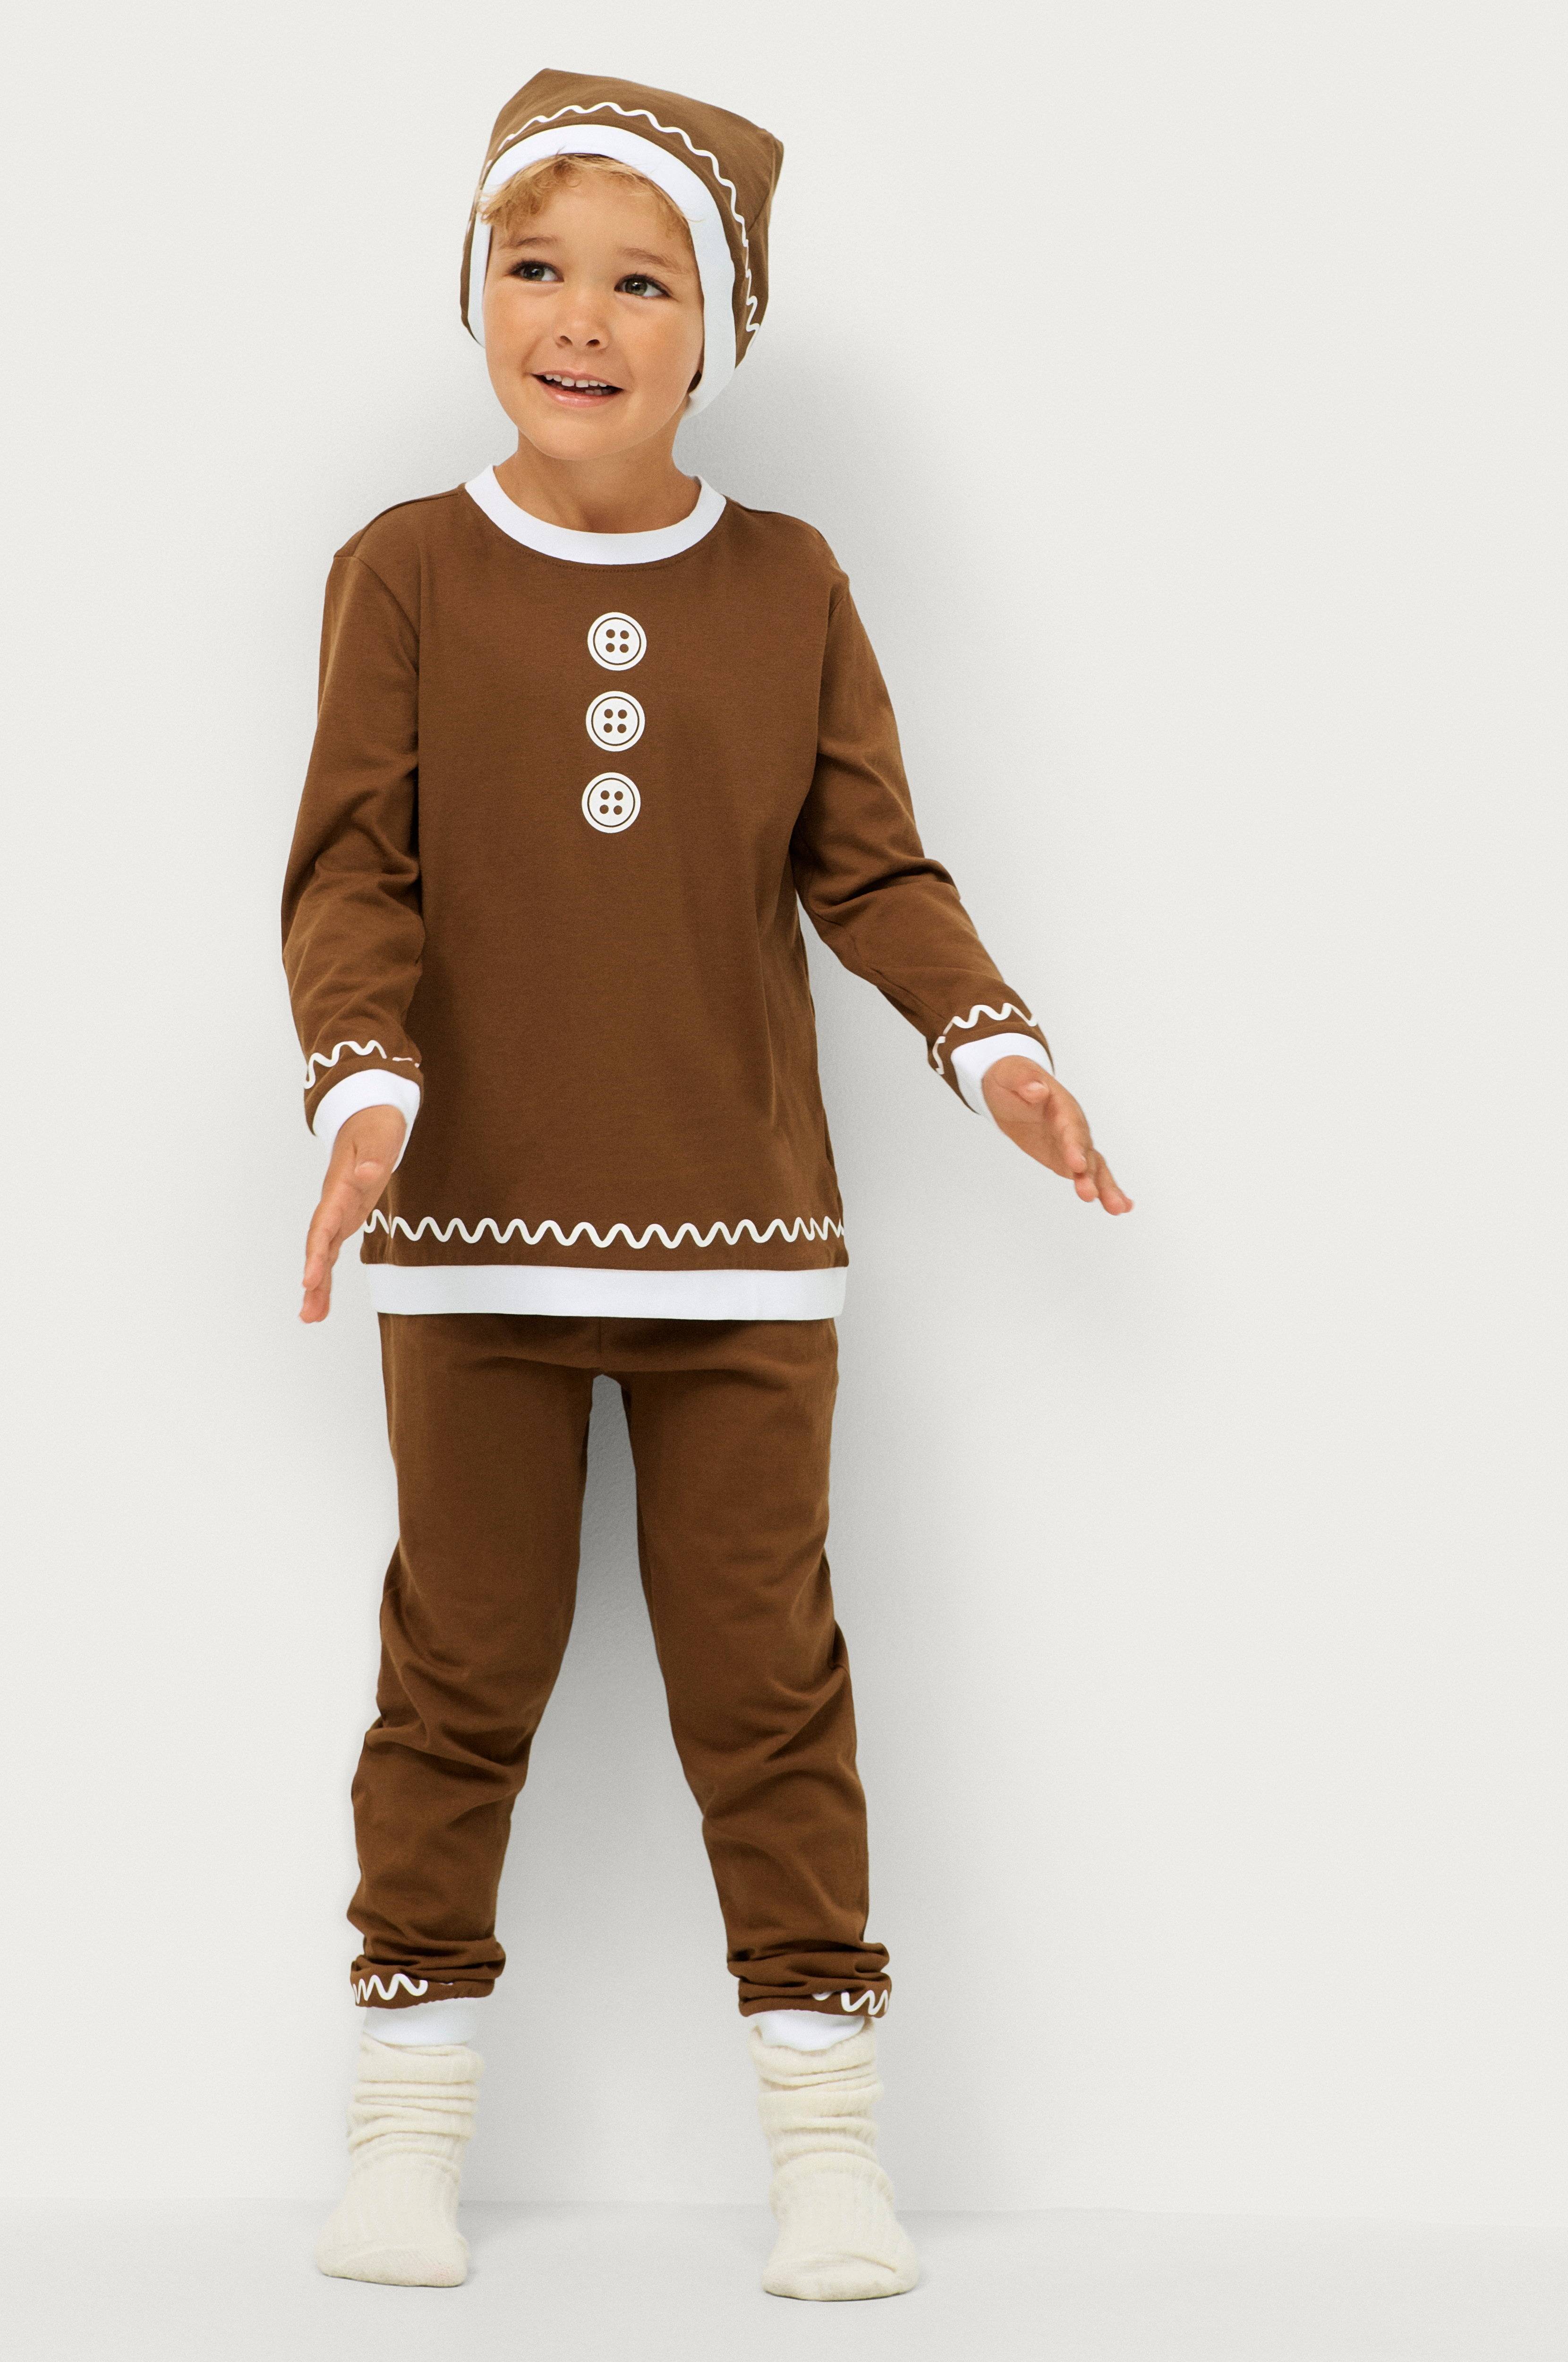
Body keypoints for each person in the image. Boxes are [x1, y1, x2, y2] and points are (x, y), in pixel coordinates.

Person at [282, 65, 1131, 2302]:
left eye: (638, 282)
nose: (576, 319)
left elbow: (870, 865)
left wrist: (996, 1047)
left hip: (744, 1249)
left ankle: (826, 2147)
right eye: (532, 267)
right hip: (465, 1245)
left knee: (764, 1688)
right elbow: (352, 872)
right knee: (454, 1679)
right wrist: (361, 1091)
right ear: (476, 287)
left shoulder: (787, 581)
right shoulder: (402, 569)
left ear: (715, 323)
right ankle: (402, 2136)